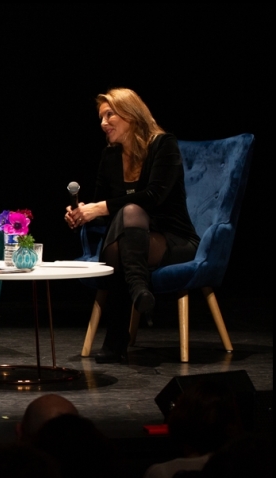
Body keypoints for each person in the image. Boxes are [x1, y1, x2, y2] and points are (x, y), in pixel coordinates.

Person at [65, 88, 200, 363]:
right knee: (124, 231)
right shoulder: (110, 156)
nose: (103, 123)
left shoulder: (164, 145)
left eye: (109, 115)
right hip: (130, 241)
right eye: (101, 118)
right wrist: (83, 214)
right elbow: (104, 211)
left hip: (171, 239)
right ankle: (139, 289)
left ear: (131, 114)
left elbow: (154, 196)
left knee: (130, 216)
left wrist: (100, 208)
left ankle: (115, 340)